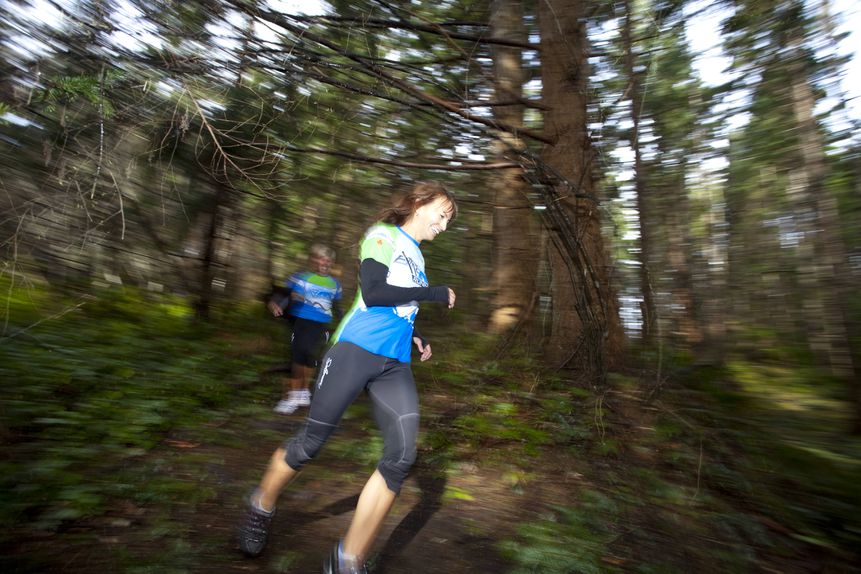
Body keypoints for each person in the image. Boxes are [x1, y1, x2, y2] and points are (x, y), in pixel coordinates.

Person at [238, 181, 457, 574]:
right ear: (420, 204)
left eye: (448, 220)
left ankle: (347, 560)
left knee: (401, 457)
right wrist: (434, 293)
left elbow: (400, 305)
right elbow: (373, 293)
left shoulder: (419, 259)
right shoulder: (382, 235)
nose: (444, 225)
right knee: (309, 445)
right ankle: (260, 504)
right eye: (442, 214)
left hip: (394, 364)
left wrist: (418, 336)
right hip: (354, 351)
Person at [268, 244, 342, 415]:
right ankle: (294, 396)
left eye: (328, 260)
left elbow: (337, 306)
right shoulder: (300, 278)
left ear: (331, 263)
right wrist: (275, 303)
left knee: (310, 355)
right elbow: (282, 293)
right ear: (314, 261)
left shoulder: (335, 284)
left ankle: (303, 392)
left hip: (321, 323)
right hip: (300, 321)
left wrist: (344, 324)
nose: (324, 263)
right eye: (321, 259)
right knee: (297, 354)